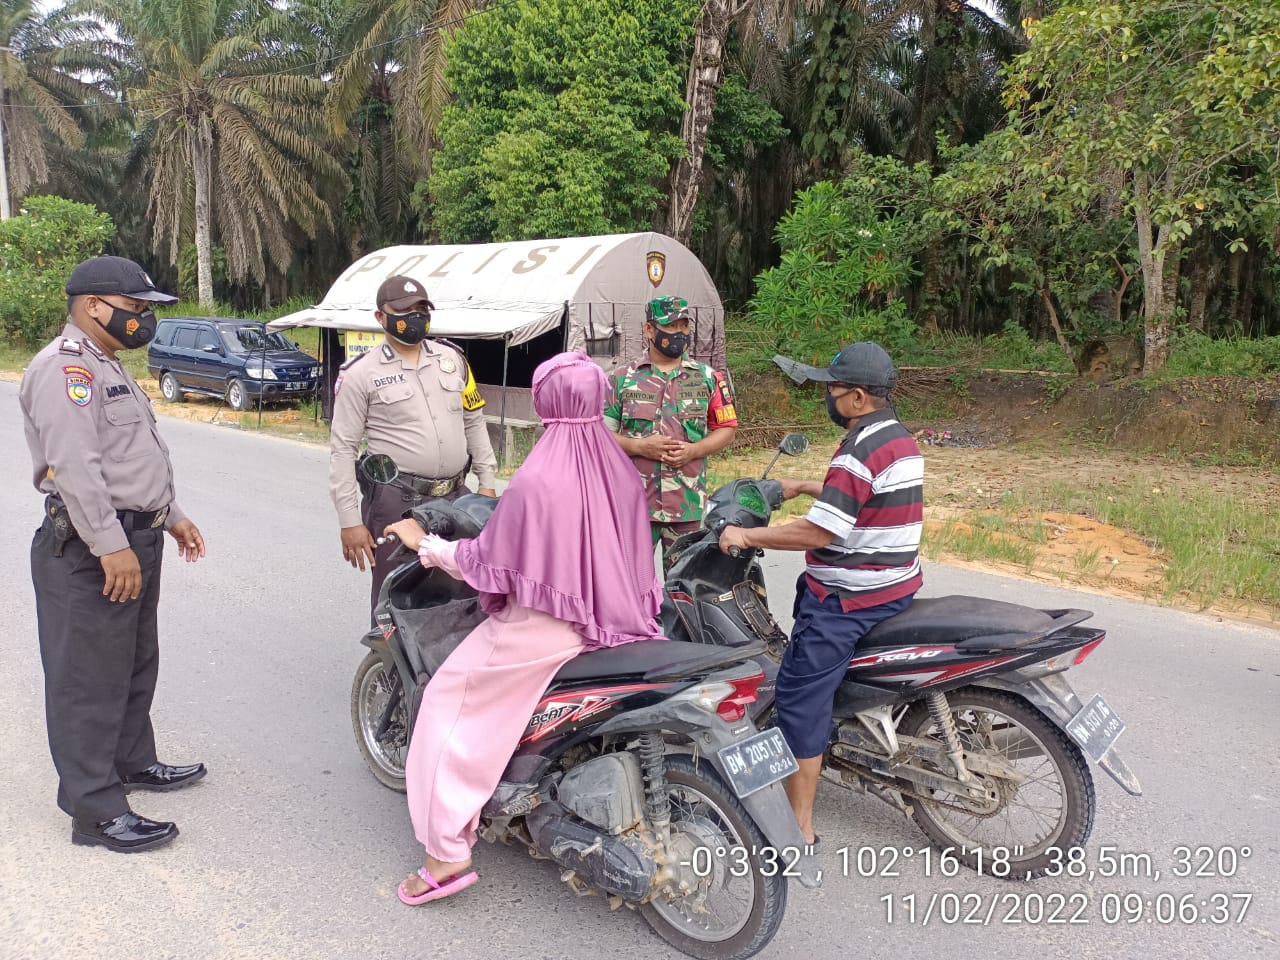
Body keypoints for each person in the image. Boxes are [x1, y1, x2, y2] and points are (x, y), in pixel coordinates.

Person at [381, 351, 665, 904]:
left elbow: (489, 563)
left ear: (544, 403)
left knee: (445, 705)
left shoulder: (538, 479)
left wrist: (430, 546)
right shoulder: (620, 470)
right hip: (614, 622)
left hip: (542, 628)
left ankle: (445, 856)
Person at [19, 256, 208, 853]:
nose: (145, 319)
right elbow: (75, 468)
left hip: (136, 536)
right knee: (87, 679)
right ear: (96, 305)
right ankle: (94, 810)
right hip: (90, 548)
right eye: (139, 308)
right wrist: (110, 545)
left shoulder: (110, 368)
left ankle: (131, 762)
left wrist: (170, 516)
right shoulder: (65, 369)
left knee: (131, 662)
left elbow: (131, 458)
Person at [718, 342, 923, 847]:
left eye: (831, 390)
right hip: (895, 585)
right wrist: (811, 484)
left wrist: (746, 536)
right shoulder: (897, 437)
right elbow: (865, 498)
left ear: (856, 397)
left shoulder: (859, 449)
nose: (825, 398)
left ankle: (798, 824)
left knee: (799, 701)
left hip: (848, 600)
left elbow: (819, 535)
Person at [328, 275, 498, 618]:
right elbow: (343, 448)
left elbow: (473, 421)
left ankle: (448, 667)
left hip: (456, 497)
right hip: (397, 499)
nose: (416, 316)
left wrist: (488, 481)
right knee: (397, 591)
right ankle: (389, 670)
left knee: (460, 587)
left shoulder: (453, 361)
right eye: (405, 310)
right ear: (381, 317)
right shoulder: (361, 374)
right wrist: (349, 521)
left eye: (422, 308)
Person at [604, 295, 738, 570]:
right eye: (670, 326)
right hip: (634, 505)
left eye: (683, 326)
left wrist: (693, 450)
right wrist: (640, 447)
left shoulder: (709, 378)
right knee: (628, 584)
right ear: (649, 329)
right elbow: (601, 436)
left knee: (683, 589)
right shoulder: (621, 379)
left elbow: (727, 429)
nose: (678, 333)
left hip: (686, 505)